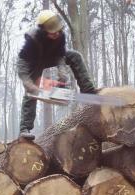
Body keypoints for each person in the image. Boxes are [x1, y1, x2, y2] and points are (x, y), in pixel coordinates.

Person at [16, 10, 97, 140]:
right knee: (31, 92)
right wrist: (28, 83)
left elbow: (60, 55)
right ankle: (24, 129)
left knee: (75, 56)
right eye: (53, 32)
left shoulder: (60, 35)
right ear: (43, 31)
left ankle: (88, 90)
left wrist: (62, 70)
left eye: (58, 31)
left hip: (50, 57)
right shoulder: (32, 41)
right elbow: (22, 64)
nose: (57, 34)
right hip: (32, 61)